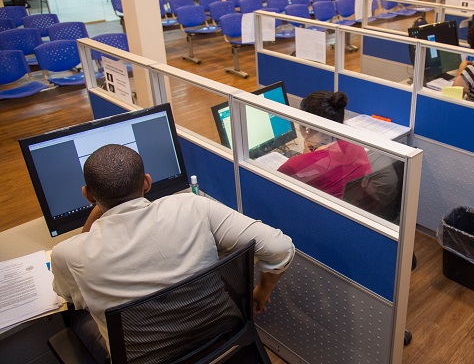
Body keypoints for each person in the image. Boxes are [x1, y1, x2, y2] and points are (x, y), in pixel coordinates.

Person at [51, 144, 295, 360]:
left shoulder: (69, 253)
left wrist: (98, 207)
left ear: (87, 195)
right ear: (147, 182)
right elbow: (280, 247)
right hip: (219, 332)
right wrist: (262, 291)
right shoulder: (192, 206)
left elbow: (68, 297)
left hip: (147, 358)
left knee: (75, 316)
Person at [277, 91, 371, 199]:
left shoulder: (293, 166)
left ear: (306, 127)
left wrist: (304, 159)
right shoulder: (356, 147)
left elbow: (273, 190)